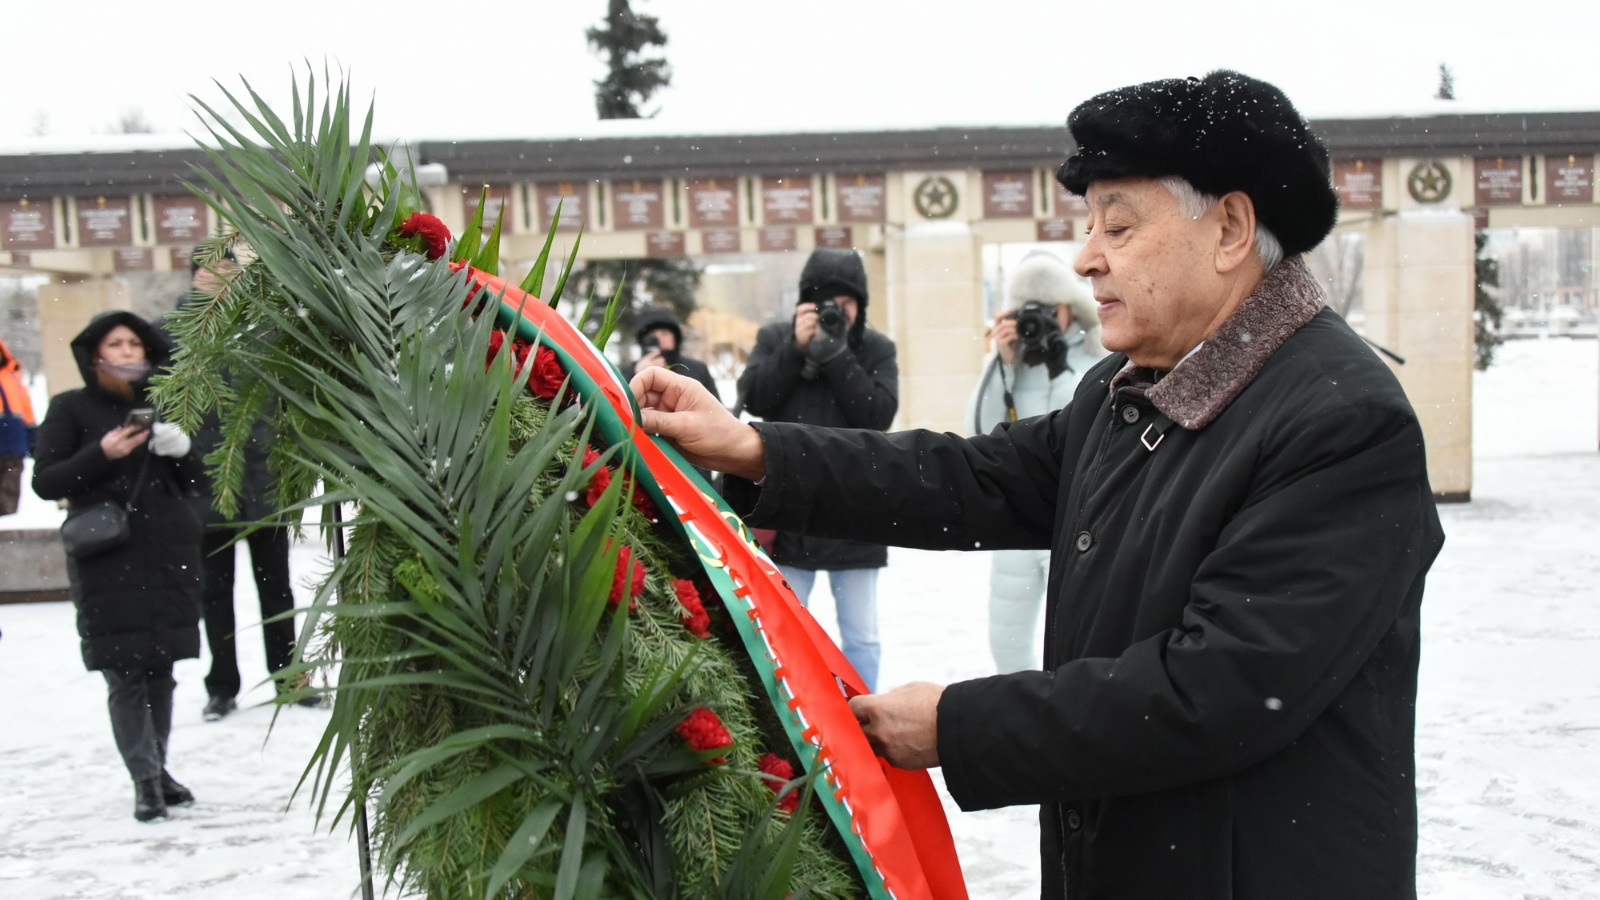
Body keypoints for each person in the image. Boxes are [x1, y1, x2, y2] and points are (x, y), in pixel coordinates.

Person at [632, 70, 1445, 899]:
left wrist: (957, 725)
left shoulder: (1340, 421)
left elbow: (1218, 690)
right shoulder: (1130, 388)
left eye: (1118, 227)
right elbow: (970, 477)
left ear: (1230, 229)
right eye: (1089, 227)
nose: (1086, 258)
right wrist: (752, 448)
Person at [32, 311, 205, 822]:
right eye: (116, 343)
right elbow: (47, 481)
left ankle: (159, 767)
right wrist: (101, 453)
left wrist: (183, 448)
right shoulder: (71, 407)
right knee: (125, 671)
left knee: (162, 671)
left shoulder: (165, 403)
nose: (128, 352)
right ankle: (145, 780)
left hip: (166, 554)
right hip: (109, 559)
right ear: (94, 355)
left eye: (135, 343)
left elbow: (200, 481)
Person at [735, 247, 898, 692]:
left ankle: (865, 718)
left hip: (856, 512)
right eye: (825, 302)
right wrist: (794, 350)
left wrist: (838, 356)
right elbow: (755, 398)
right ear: (804, 303)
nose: (835, 312)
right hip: (789, 510)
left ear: (860, 306)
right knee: (783, 630)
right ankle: (793, 711)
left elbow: (878, 414)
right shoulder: (776, 337)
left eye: (845, 303)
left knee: (861, 636)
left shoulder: (875, 349)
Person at [175, 254, 303, 721]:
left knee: (277, 590)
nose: (217, 277)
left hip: (266, 483)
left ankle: (289, 676)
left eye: (226, 269)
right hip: (206, 487)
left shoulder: (265, 327)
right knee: (214, 594)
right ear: (194, 277)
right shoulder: (176, 333)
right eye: (207, 269)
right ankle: (222, 686)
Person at [966, 253, 1104, 673]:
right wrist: (1002, 364)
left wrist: (1060, 366)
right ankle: (1018, 709)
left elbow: (1089, 426)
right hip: (1018, 518)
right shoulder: (1011, 361)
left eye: (1048, 308)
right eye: (1030, 309)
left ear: (1070, 307)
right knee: (1006, 644)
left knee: (1078, 642)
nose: (1040, 319)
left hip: (1080, 518)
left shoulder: (1098, 354)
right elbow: (978, 431)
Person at [620, 306, 721, 401]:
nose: (659, 339)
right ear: (643, 341)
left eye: (664, 333)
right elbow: (619, 405)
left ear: (675, 337)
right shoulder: (628, 372)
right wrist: (636, 376)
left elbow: (716, 408)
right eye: (652, 336)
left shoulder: (697, 369)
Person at [0, 335, 37, 515]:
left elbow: (25, 409)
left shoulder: (12, 376)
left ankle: (7, 518)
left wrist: (33, 437)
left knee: (10, 486)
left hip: (14, 442)